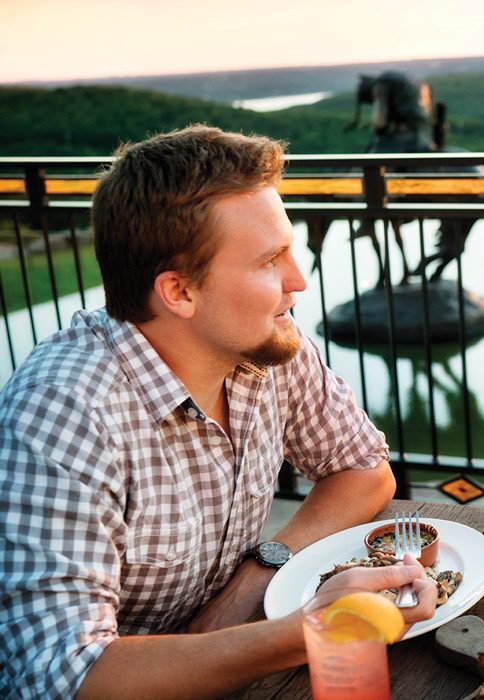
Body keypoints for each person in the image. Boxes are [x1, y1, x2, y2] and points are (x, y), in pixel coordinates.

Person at [0, 126, 438, 698]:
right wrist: (308, 630)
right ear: (179, 292)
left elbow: (364, 469)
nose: (298, 281)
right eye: (268, 261)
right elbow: (64, 675)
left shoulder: (265, 346)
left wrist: (258, 575)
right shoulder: (63, 412)